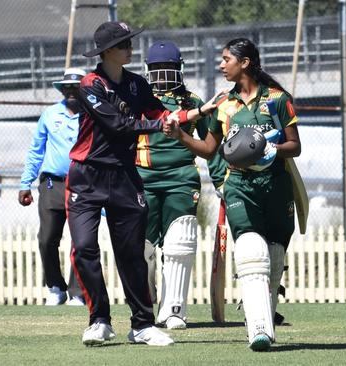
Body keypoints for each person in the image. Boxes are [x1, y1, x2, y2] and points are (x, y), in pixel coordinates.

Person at [67, 21, 216, 347]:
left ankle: (142, 325)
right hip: (87, 176)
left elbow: (162, 115)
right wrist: (158, 125)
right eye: (123, 44)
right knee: (83, 250)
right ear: (107, 51)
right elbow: (118, 125)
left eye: (129, 43)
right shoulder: (90, 84)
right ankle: (100, 320)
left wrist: (197, 113)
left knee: (132, 253)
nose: (130, 49)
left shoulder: (136, 84)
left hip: (124, 176)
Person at [165, 38, 301, 351]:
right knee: (251, 251)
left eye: (227, 59)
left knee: (274, 258)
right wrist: (181, 135)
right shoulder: (224, 105)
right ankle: (259, 331)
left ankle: (264, 319)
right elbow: (209, 149)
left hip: (276, 186)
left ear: (245, 62)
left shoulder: (279, 100)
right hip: (239, 186)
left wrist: (271, 148)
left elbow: (296, 146)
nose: (221, 64)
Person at [138, 41, 227, 329]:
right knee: (141, 247)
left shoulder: (193, 101)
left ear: (179, 70)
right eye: (157, 69)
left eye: (168, 69)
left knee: (180, 243)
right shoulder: (139, 99)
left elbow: (211, 145)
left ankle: (174, 309)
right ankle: (144, 304)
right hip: (142, 180)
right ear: (148, 71)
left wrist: (220, 180)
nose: (163, 75)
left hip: (181, 178)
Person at [19, 67, 87, 307]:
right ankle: (55, 286)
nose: (70, 92)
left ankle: (77, 291)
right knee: (47, 238)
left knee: (81, 240)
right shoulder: (49, 114)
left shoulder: (93, 114)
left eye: (76, 87)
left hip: (83, 183)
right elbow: (36, 151)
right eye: (66, 87)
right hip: (52, 183)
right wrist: (25, 182)